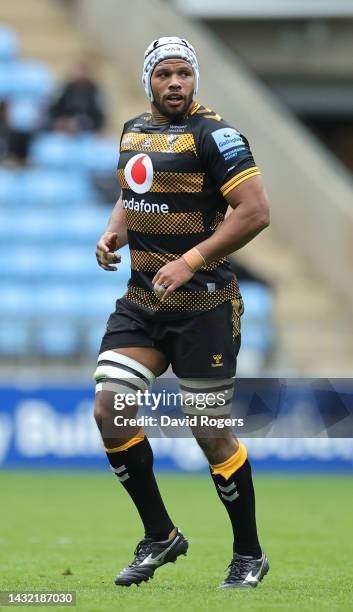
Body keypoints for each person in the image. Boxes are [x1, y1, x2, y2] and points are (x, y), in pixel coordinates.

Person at [94, 36, 270, 589]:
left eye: (184, 74)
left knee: (209, 432)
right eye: (166, 74)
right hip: (143, 302)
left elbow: (255, 211)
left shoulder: (215, 135)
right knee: (109, 410)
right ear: (149, 78)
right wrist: (114, 230)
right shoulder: (133, 131)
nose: (175, 83)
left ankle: (249, 554)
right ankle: (160, 535)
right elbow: (134, 186)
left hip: (204, 307)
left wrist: (190, 260)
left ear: (195, 79)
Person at [48, 61, 105, 132]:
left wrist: (97, 127)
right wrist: (59, 120)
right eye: (79, 71)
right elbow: (54, 108)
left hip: (87, 127)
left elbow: (100, 114)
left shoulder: (95, 90)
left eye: (84, 71)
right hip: (64, 125)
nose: (81, 74)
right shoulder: (65, 88)